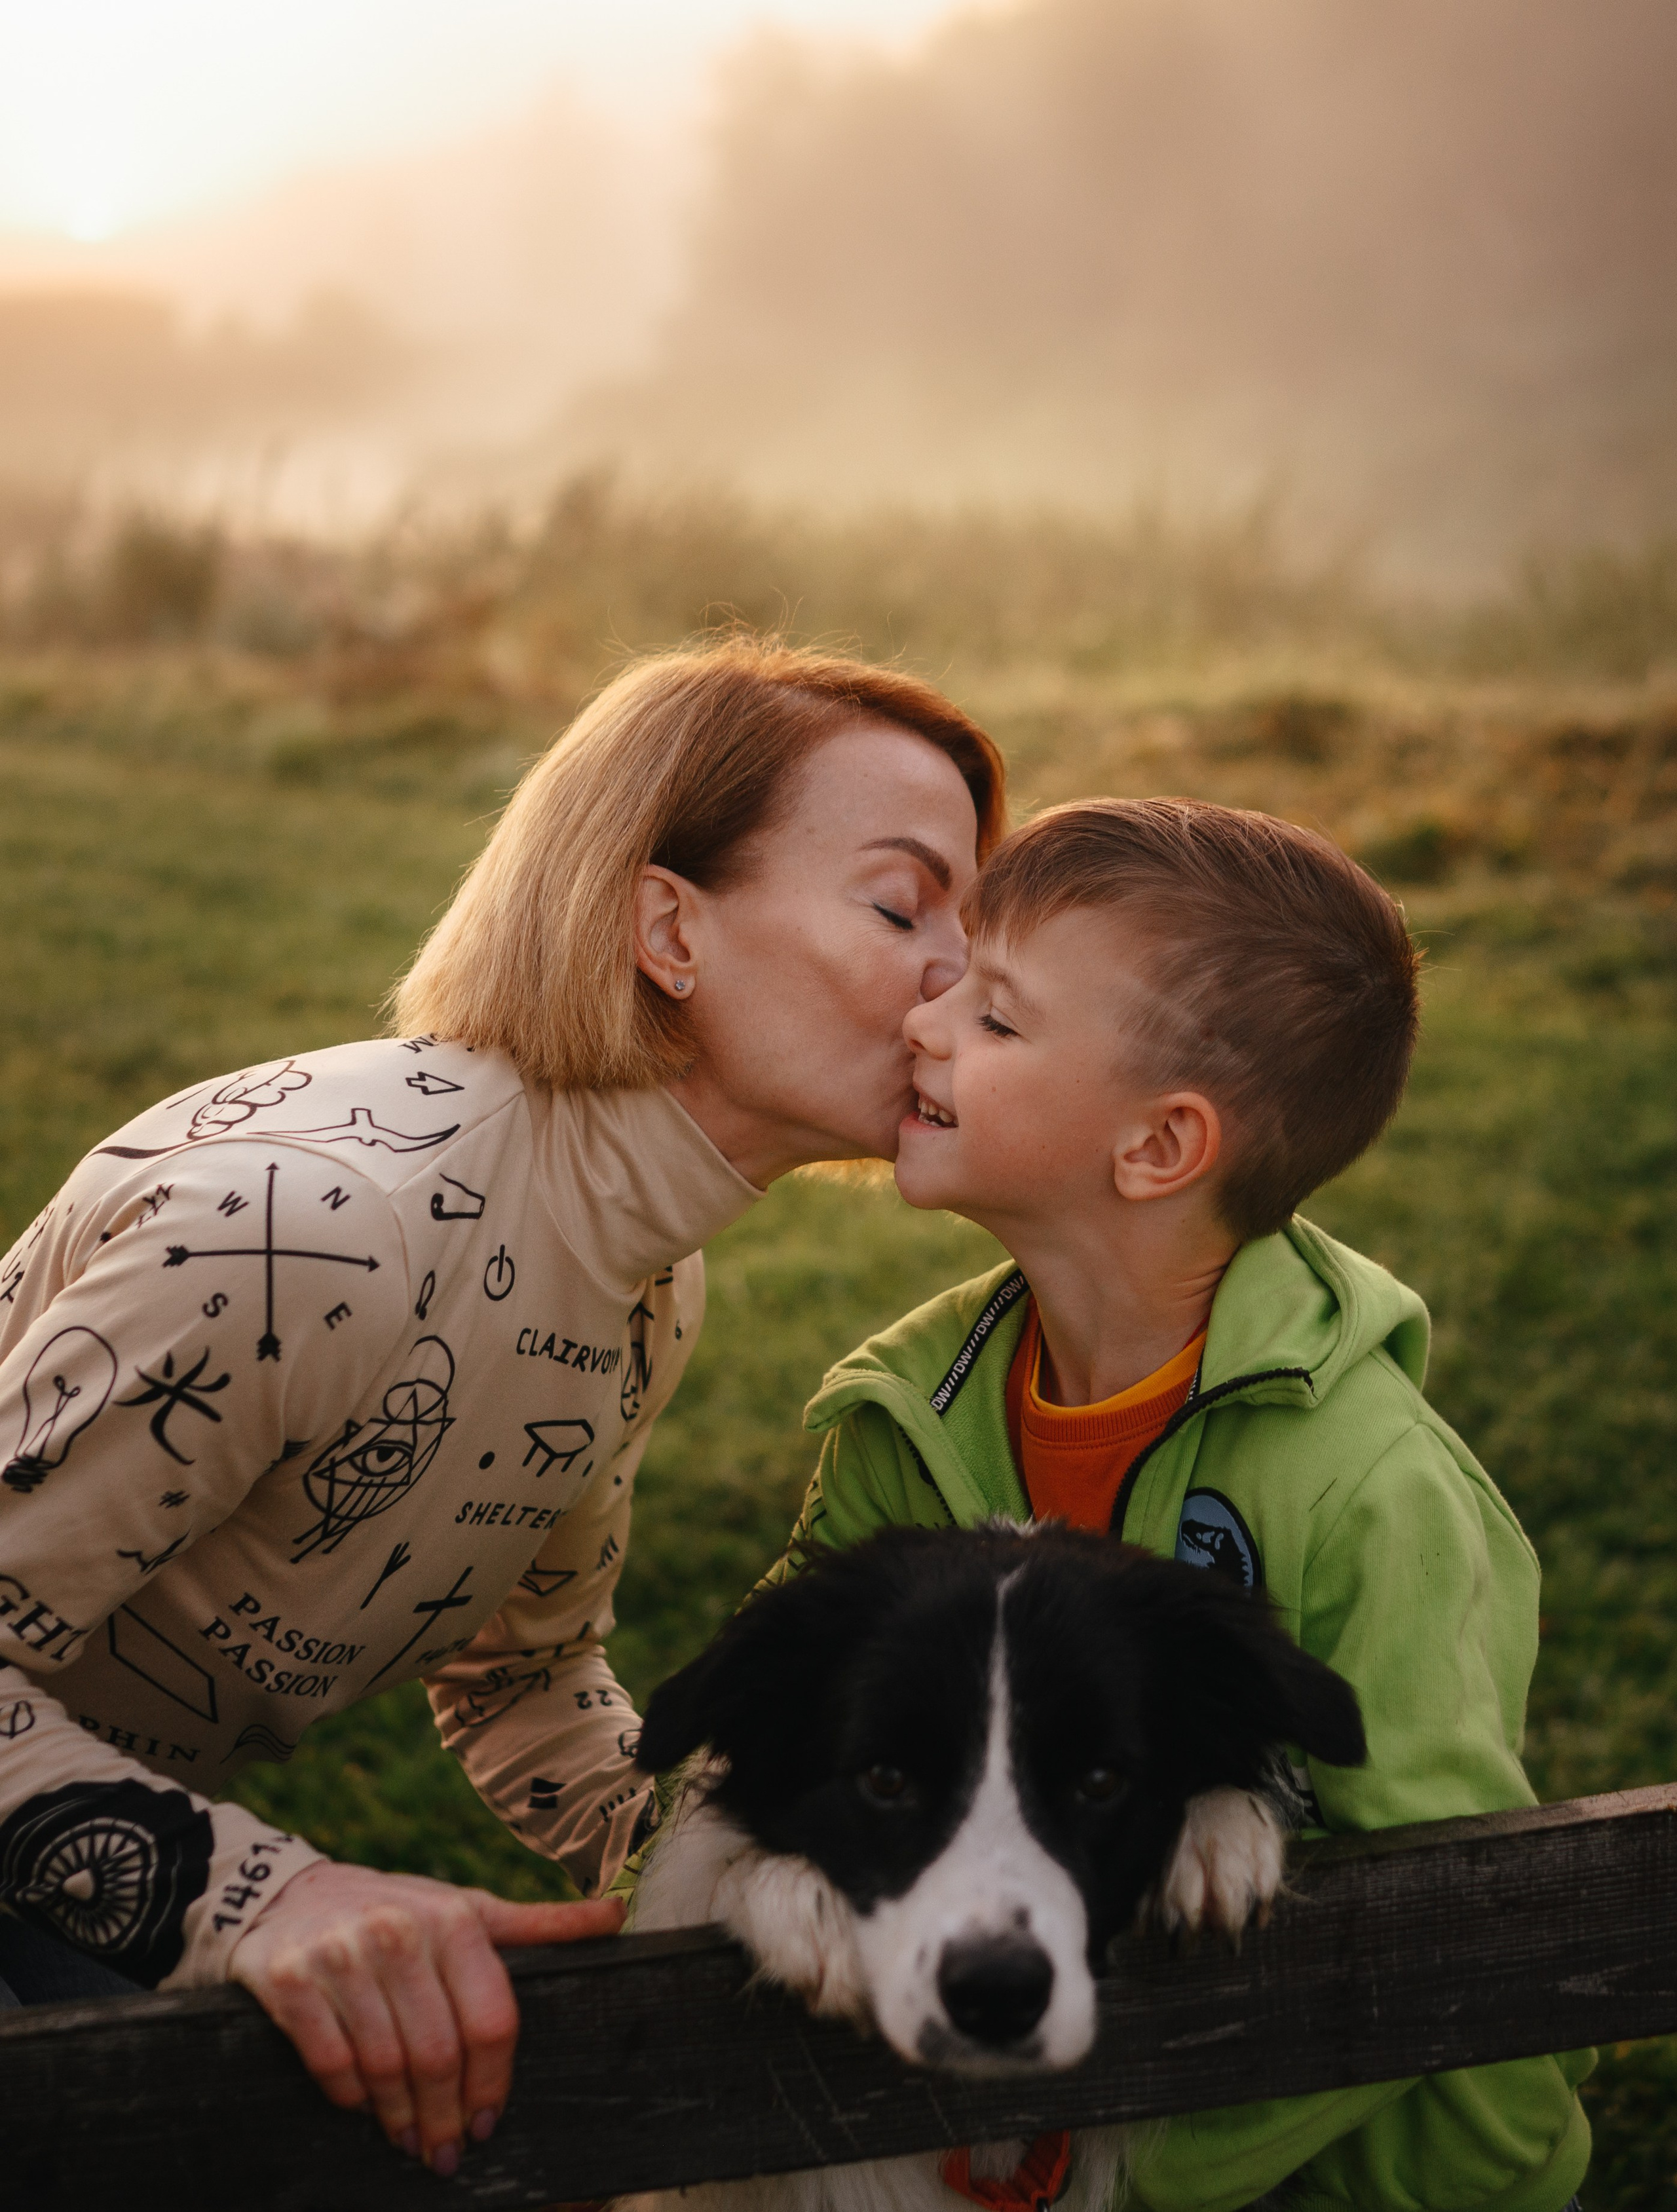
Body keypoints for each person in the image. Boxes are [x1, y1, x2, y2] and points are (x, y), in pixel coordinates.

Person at [0, 638, 1004, 2177]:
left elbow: (524, 1679)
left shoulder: (640, 1274)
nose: (965, 981)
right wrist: (262, 1896)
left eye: (973, 922)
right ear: (667, 928)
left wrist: (785, 1860)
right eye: (899, 905)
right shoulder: (314, 1238)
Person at [763, 798, 1592, 2212]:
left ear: (1156, 1149)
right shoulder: (906, 1418)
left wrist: (1123, 2174)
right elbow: (770, 1733)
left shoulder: (1370, 1490)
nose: (924, 1019)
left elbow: (1440, 1917)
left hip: (1368, 2177)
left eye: (998, 1018)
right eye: (953, 974)